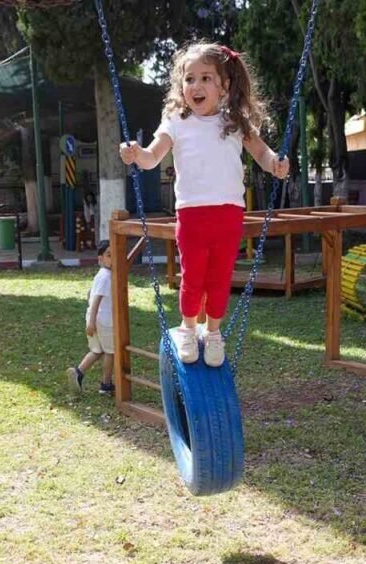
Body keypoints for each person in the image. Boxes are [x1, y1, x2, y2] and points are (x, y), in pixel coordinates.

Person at [119, 42, 289, 367]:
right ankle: (187, 328)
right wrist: (136, 154)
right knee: (193, 276)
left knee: (220, 278)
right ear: (180, 86)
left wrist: (276, 164)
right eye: (189, 79)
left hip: (229, 213)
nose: (196, 86)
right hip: (191, 214)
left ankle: (213, 333)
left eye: (206, 78)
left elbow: (262, 153)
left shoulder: (235, 121)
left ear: (224, 85)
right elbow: (152, 157)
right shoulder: (176, 121)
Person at [67, 240, 115, 395]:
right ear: (101, 258)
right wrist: (92, 321)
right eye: (109, 255)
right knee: (110, 352)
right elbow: (96, 300)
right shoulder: (106, 276)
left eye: (115, 255)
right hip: (103, 320)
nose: (113, 258)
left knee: (97, 350)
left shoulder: (101, 275)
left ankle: (78, 372)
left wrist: (91, 319)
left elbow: (90, 294)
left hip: (95, 318)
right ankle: (106, 384)